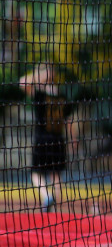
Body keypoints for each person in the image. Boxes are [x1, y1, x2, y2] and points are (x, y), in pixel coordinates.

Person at [19, 61, 75, 212]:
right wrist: (73, 141)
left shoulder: (40, 94)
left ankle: (46, 196)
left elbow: (22, 82)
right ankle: (55, 208)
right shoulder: (62, 96)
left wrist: (38, 75)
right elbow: (68, 122)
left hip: (42, 139)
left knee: (36, 173)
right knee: (56, 174)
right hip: (58, 140)